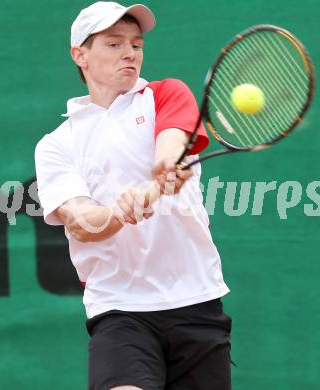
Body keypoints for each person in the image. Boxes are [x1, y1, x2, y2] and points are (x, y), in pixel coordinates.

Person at [35, 2, 232, 389]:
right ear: (81, 55)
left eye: (136, 44)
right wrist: (116, 213)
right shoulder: (56, 145)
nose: (130, 53)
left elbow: (170, 148)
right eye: (113, 44)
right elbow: (80, 222)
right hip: (119, 309)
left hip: (197, 300)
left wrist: (165, 168)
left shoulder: (165, 94)